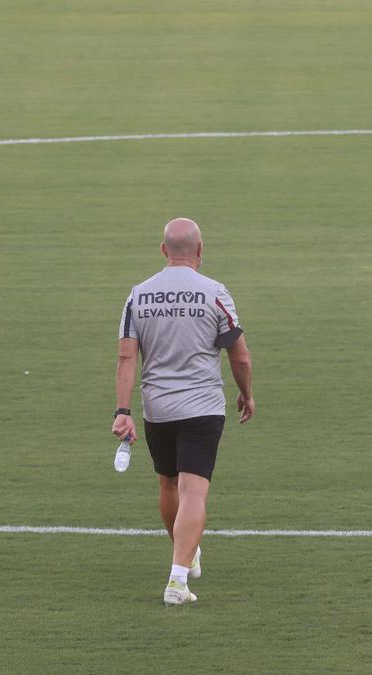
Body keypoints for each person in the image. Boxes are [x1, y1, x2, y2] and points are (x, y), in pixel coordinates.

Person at [112, 217, 255, 606]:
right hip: (203, 407)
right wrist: (246, 394)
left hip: (158, 408)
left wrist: (122, 410)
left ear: (163, 251)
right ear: (200, 249)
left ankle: (185, 555)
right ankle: (177, 579)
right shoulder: (214, 293)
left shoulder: (138, 295)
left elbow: (126, 358)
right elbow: (239, 356)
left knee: (169, 485)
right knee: (195, 490)